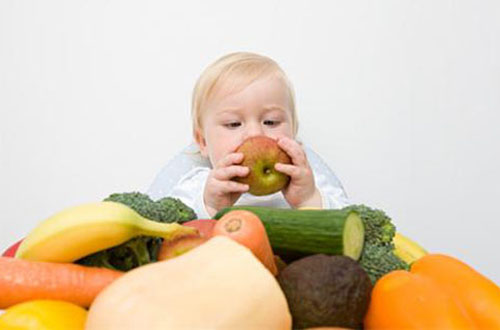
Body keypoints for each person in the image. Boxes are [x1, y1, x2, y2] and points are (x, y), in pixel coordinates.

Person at [148, 52, 349, 218]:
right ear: (202, 141)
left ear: (293, 134)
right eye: (233, 124)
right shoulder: (197, 188)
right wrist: (210, 207)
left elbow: (350, 226)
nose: (254, 134)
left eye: (271, 122)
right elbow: (169, 234)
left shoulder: (309, 181)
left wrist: (308, 199)